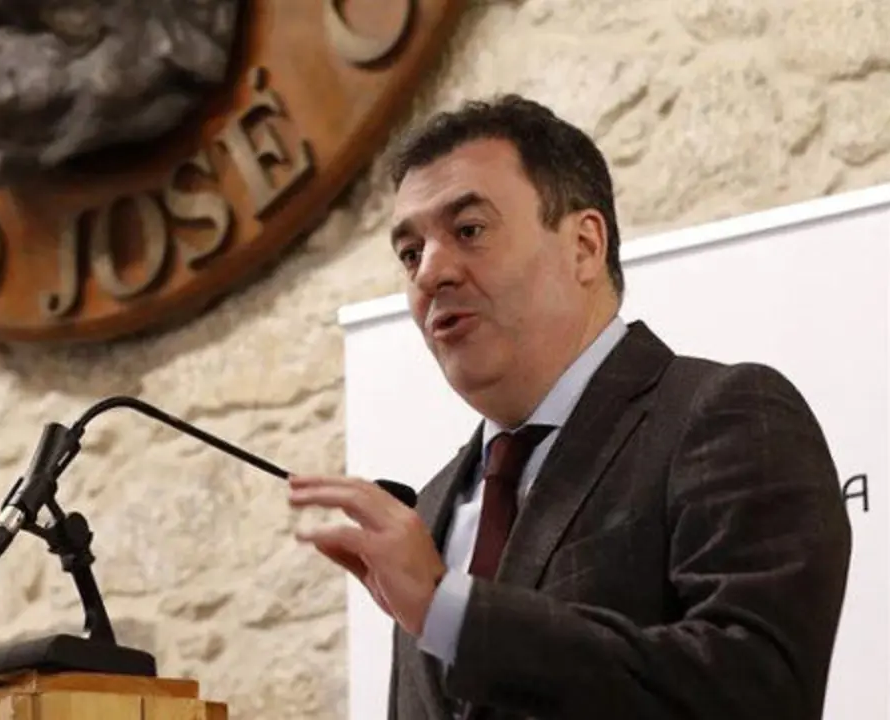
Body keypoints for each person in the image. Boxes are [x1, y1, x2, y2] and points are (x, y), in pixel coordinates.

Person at [289, 94, 852, 720]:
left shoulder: (723, 416)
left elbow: (757, 691)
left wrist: (451, 612)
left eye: (469, 231)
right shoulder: (434, 504)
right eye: (410, 253)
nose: (430, 274)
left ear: (585, 245)